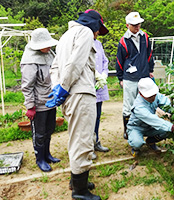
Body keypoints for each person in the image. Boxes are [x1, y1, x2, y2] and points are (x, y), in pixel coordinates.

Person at [45, 9, 108, 200]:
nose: (98, 34)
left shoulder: (65, 36)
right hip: (80, 93)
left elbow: (55, 66)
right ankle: (80, 192)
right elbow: (76, 63)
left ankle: (77, 180)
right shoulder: (86, 32)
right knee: (83, 140)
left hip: (70, 96)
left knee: (75, 137)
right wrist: (63, 87)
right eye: (99, 30)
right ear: (94, 25)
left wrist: (59, 88)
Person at [20, 28, 60, 172]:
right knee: (40, 133)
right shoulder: (29, 61)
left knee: (49, 130)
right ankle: (40, 159)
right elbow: (27, 86)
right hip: (38, 104)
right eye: (46, 44)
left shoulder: (49, 54)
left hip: (50, 101)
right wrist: (30, 106)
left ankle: (47, 154)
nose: (49, 47)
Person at [115, 11, 155, 140]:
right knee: (129, 106)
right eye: (134, 25)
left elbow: (149, 54)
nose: (137, 27)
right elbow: (119, 61)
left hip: (144, 75)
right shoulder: (123, 41)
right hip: (130, 78)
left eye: (139, 24)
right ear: (127, 25)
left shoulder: (145, 37)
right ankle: (128, 131)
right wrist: (120, 78)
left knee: (147, 103)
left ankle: (148, 131)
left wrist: (150, 69)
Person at [126, 77, 174, 156]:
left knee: (166, 131)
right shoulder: (138, 107)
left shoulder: (155, 96)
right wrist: (172, 127)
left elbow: (167, 104)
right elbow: (154, 120)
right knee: (137, 142)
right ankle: (135, 147)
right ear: (141, 94)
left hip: (150, 126)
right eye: (149, 96)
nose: (153, 97)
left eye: (154, 95)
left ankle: (151, 141)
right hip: (137, 127)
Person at [92, 36, 109, 159]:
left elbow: (104, 61)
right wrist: (96, 75)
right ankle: (87, 146)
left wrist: (103, 75)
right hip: (88, 84)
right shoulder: (82, 42)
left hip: (100, 85)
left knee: (97, 116)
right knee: (88, 119)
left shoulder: (98, 43)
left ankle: (96, 141)